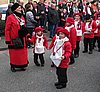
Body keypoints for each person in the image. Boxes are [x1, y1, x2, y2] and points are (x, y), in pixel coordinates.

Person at [5, 3, 29, 72]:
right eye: (19, 8)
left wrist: (27, 35)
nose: (20, 9)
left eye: (20, 8)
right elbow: (7, 29)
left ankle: (22, 65)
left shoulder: (22, 17)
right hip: (14, 39)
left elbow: (24, 27)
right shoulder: (10, 17)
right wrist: (8, 39)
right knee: (14, 53)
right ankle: (13, 65)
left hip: (22, 38)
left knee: (22, 53)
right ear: (15, 9)